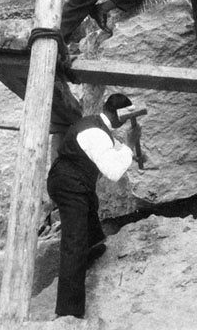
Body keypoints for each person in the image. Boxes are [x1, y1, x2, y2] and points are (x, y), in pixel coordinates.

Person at [47, 93, 142, 318]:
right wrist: (129, 145)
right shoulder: (96, 134)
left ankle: (94, 247)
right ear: (121, 116)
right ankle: (68, 312)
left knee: (91, 206)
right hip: (68, 184)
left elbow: (116, 149)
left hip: (75, 182)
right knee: (74, 243)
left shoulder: (98, 126)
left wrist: (132, 152)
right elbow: (113, 171)